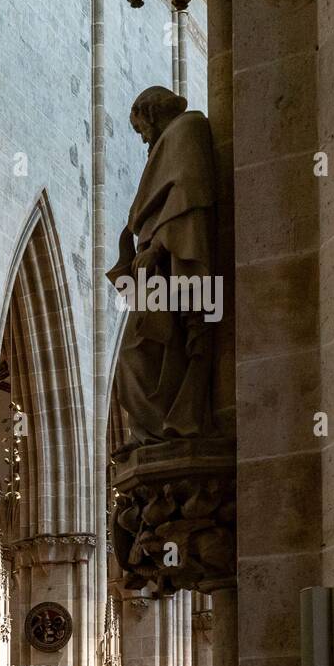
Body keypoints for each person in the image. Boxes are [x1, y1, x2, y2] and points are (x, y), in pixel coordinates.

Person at [106, 85, 217, 451]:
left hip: (180, 260)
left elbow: (190, 193)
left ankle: (170, 429)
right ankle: (151, 434)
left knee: (147, 352)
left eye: (141, 130)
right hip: (157, 272)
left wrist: (156, 246)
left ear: (152, 113)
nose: (143, 141)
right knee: (137, 356)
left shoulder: (188, 130)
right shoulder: (170, 142)